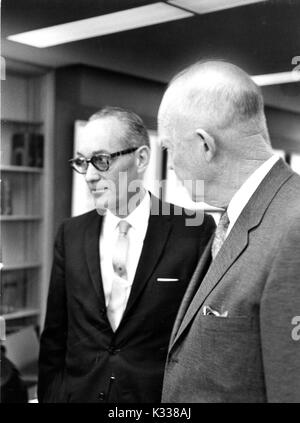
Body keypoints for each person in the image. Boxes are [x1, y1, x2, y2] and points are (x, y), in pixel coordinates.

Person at [38, 106, 215, 403]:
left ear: (141, 158)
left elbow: (202, 342)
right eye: (83, 162)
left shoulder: (192, 231)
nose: (90, 176)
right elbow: (55, 336)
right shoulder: (71, 234)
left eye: (102, 160)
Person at [158, 61, 300, 403]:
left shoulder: (293, 227)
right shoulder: (236, 217)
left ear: (205, 145)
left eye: (169, 148)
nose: (172, 164)